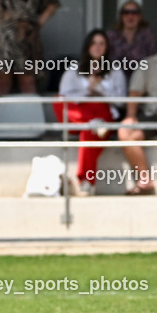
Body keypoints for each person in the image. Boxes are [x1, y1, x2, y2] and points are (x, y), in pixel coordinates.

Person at [53, 29, 127, 196]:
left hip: (102, 113)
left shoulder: (115, 70)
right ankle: (92, 123)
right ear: (87, 46)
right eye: (94, 43)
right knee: (57, 101)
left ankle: (86, 182)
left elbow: (121, 101)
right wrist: (88, 89)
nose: (98, 47)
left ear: (107, 47)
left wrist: (100, 90)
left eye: (102, 43)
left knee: (89, 131)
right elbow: (64, 95)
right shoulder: (74, 69)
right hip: (78, 115)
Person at [118, 28, 157, 195]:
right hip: (150, 115)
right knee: (126, 132)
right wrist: (130, 116)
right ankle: (145, 181)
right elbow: (135, 92)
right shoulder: (148, 64)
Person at [106, 0, 157, 84]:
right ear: (121, 16)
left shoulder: (147, 36)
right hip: (115, 82)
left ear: (140, 16)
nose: (130, 16)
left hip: (141, 82)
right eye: (126, 12)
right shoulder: (111, 36)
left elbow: (152, 62)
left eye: (134, 13)